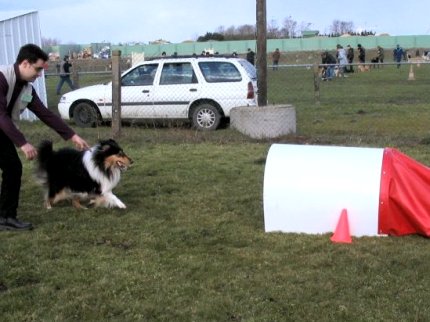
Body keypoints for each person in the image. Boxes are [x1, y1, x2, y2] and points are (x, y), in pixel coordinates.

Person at [0, 43, 89, 231]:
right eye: (38, 68)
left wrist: (72, 135)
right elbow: (0, 115)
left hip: (3, 131)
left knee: (13, 168)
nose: (40, 74)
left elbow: (45, 114)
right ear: (25, 63)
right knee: (12, 168)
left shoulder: (26, 89)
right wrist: (23, 143)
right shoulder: (1, 78)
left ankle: (6, 217)